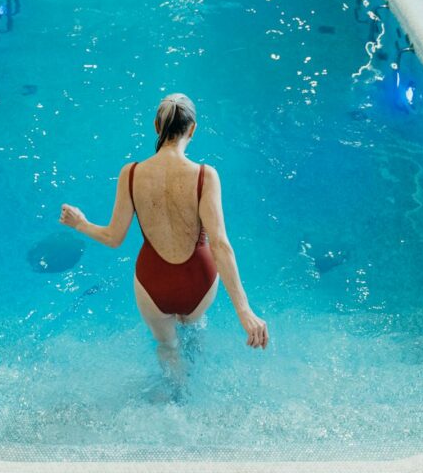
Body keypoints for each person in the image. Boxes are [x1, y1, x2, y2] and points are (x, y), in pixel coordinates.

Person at [60, 93, 268, 363]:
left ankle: (175, 397)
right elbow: (220, 245)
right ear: (192, 129)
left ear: (156, 127)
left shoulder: (131, 173)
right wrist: (244, 311)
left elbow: (113, 238)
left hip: (152, 282)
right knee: (193, 327)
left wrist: (81, 224)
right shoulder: (206, 176)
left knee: (167, 347)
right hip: (199, 280)